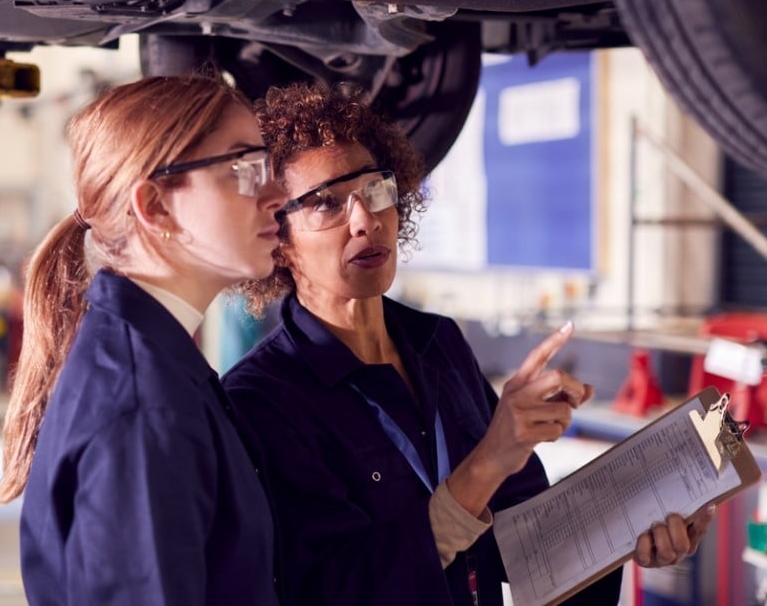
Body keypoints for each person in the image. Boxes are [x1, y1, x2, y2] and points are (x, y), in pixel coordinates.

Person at [222, 81, 715, 606]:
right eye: (326, 204)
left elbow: (525, 544)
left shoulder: (439, 343)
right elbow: (334, 589)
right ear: (279, 241)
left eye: (375, 191)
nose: (365, 220)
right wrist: (488, 462)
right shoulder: (261, 399)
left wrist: (629, 529)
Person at [0, 74, 287, 606]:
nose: (277, 195)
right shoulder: (146, 407)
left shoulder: (152, 364)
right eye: (245, 170)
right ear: (154, 206)